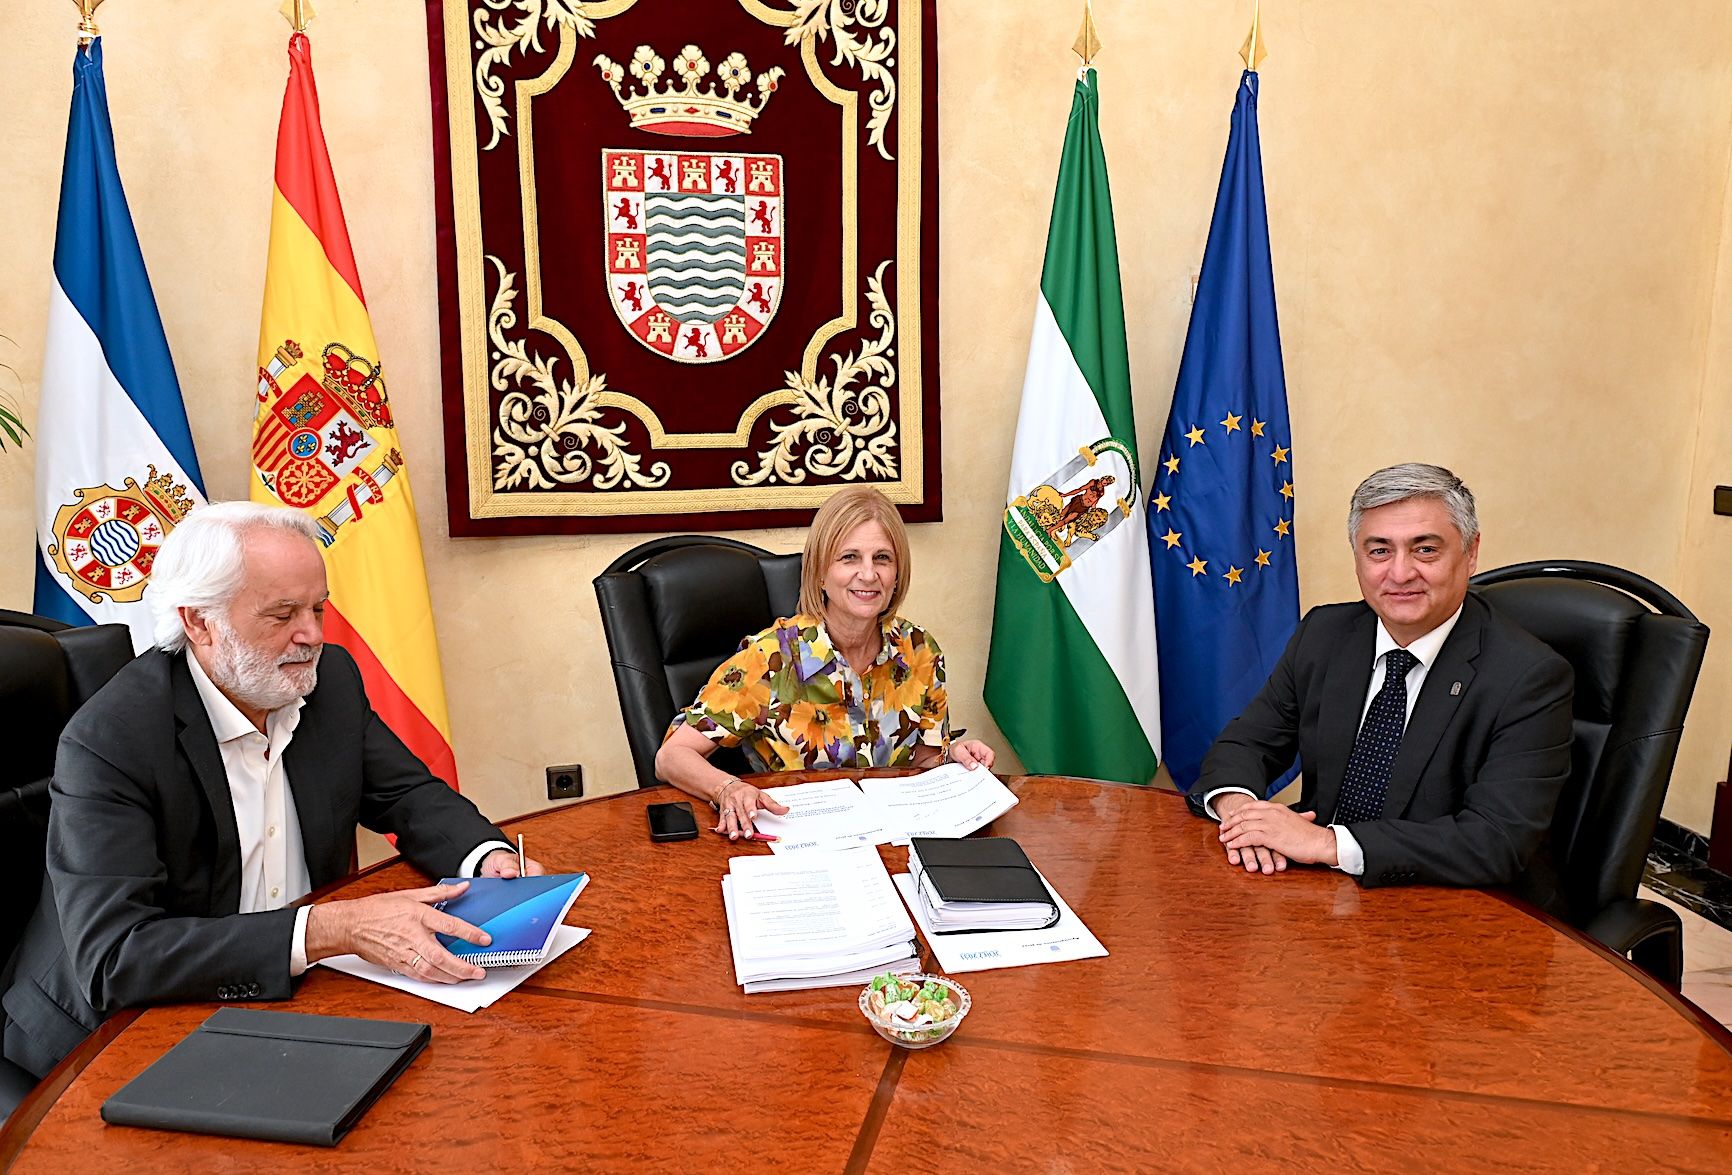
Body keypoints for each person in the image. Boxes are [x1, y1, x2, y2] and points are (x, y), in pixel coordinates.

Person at [0, 503, 544, 1079]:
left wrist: (487, 858)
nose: (310, 636)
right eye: (282, 614)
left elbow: (408, 795)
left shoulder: (328, 680)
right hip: (110, 1041)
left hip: (290, 1001)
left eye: (317, 608)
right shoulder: (113, 738)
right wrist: (336, 928)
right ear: (199, 621)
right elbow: (117, 958)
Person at [1196, 463, 1574, 894]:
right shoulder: (1326, 633)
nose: (1400, 574)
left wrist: (1325, 844)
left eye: (1425, 550)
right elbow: (1247, 743)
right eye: (1379, 551)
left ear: (1470, 553)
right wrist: (1241, 812)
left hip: (1453, 904)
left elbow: (1494, 841)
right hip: (1326, 895)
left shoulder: (1530, 677)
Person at [656, 485, 995, 839]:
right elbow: (672, 757)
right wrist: (727, 788)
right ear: (819, 571)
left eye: (882, 558)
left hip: (892, 843)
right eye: (849, 557)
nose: (868, 574)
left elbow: (921, 765)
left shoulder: (919, 650)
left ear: (897, 573)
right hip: (799, 842)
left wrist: (952, 756)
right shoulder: (771, 657)